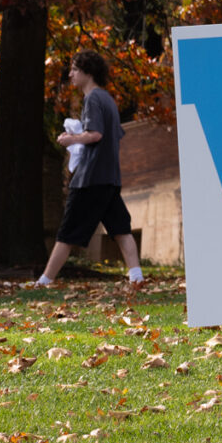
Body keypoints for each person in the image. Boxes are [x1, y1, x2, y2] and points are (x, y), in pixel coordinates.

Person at [35, 51, 144, 289]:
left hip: (90, 179)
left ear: (87, 72)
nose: (70, 74)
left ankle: (44, 282)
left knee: (67, 232)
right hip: (110, 178)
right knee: (121, 228)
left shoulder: (93, 99)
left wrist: (71, 139)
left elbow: (96, 134)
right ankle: (137, 277)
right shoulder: (108, 101)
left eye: (74, 69)